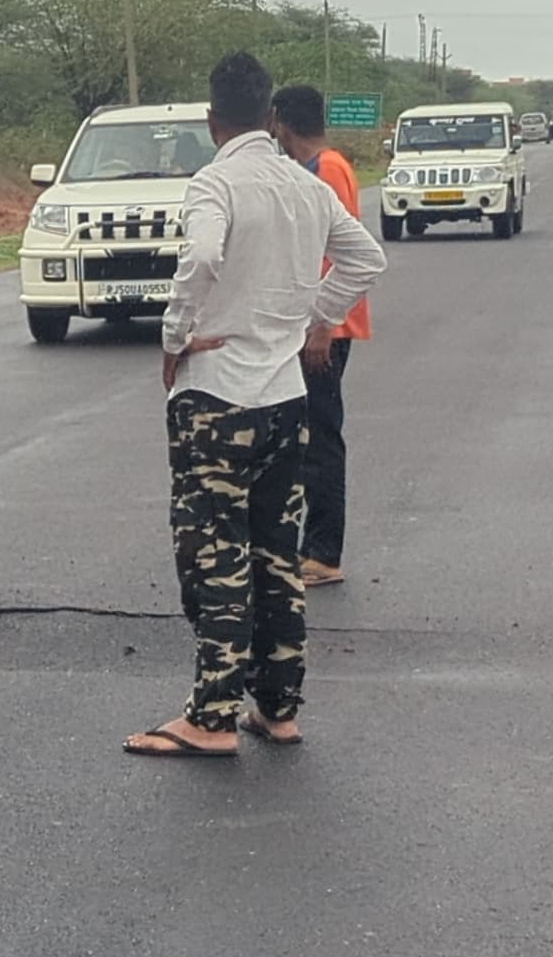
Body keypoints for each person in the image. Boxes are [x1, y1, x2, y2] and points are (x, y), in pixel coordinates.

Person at [130, 54, 383, 760]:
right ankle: (278, 707)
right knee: (276, 552)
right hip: (284, 399)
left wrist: (176, 337)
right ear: (270, 113)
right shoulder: (301, 185)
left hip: (217, 397)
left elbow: (204, 256)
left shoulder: (217, 182)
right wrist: (314, 319)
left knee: (213, 553)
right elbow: (365, 261)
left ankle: (210, 716)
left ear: (212, 120)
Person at [270, 83, 370, 585]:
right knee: (308, 437)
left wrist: (324, 325)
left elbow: (338, 250)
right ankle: (310, 544)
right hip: (317, 324)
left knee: (322, 439)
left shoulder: (327, 169)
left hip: (328, 328)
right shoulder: (319, 166)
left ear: (283, 123)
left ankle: (325, 553)